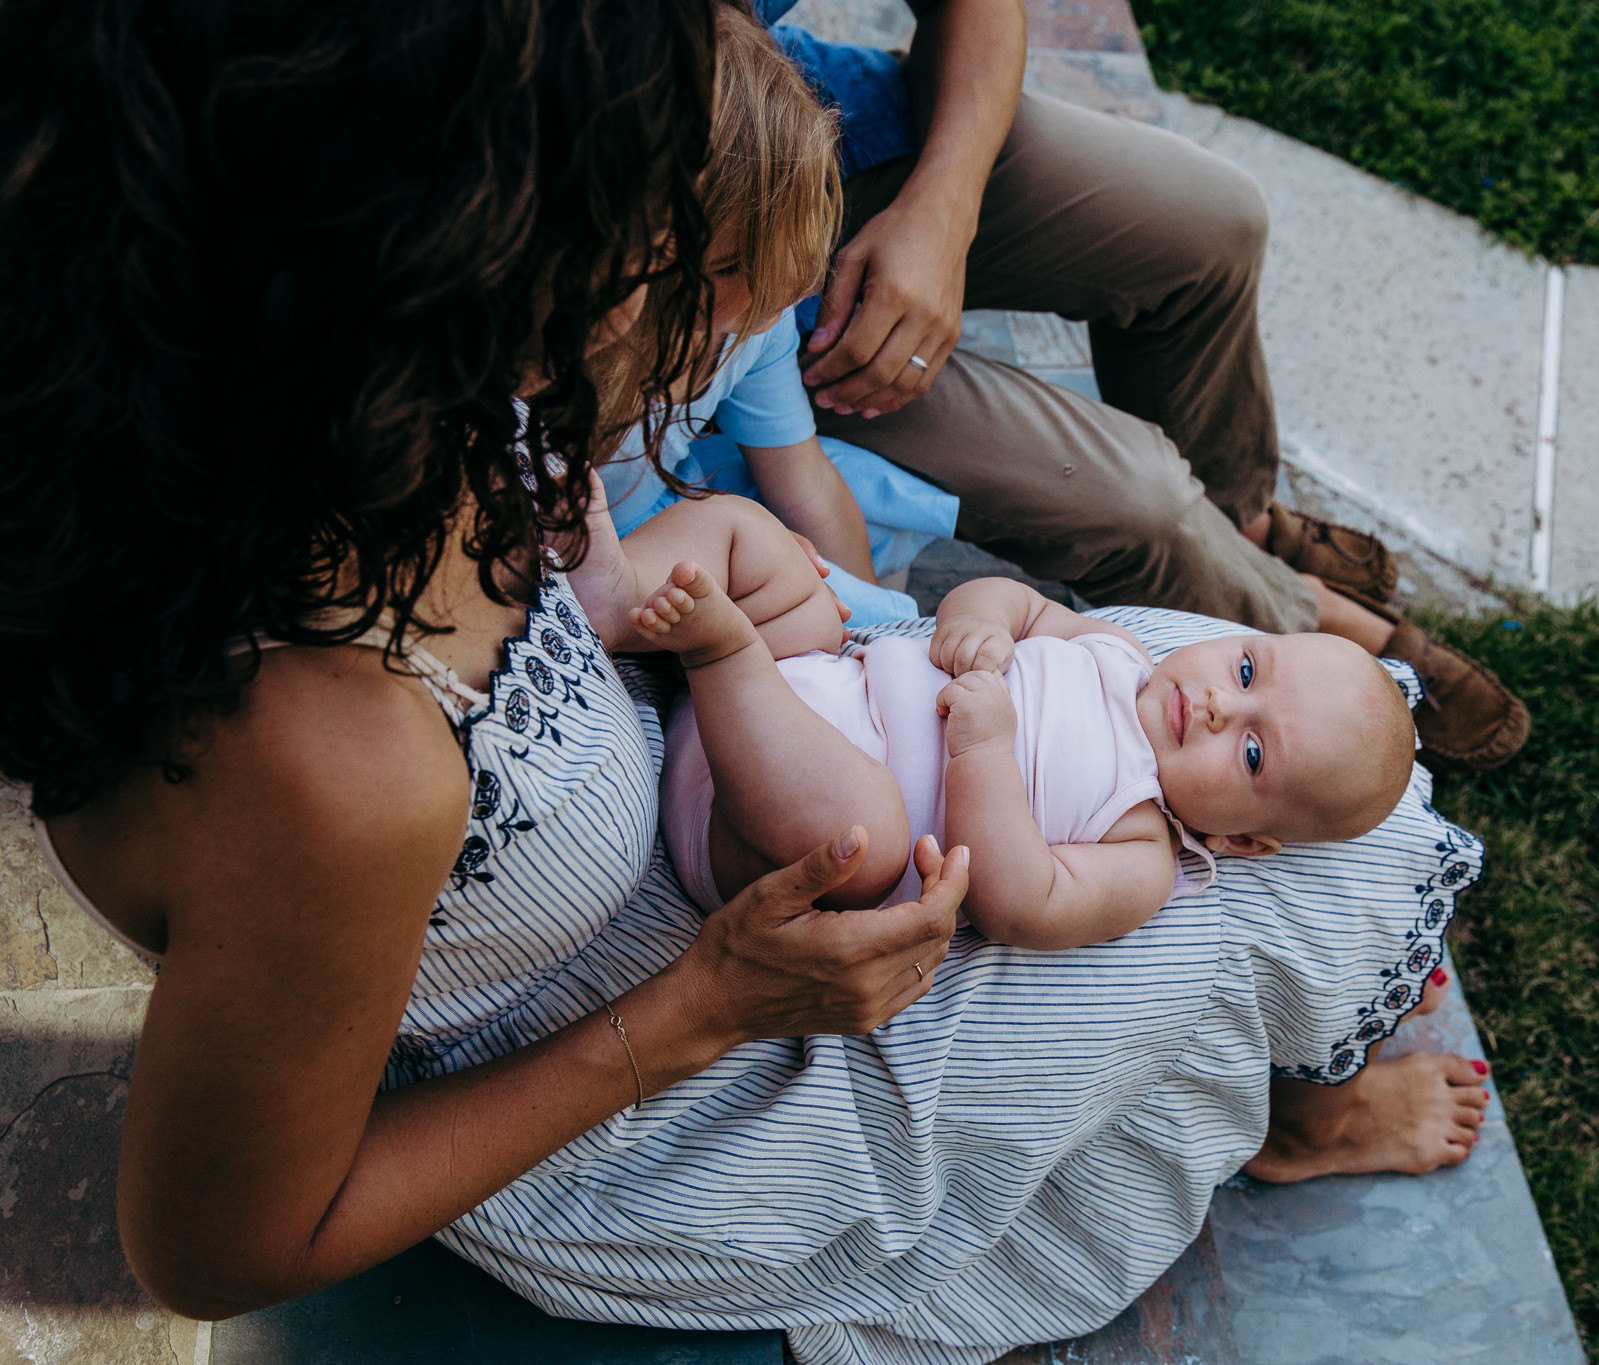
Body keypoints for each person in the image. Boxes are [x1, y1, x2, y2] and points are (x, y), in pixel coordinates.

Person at [0, 3, 1489, 1360]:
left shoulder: (401, 419)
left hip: (681, 833)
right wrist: (712, 1004)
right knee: (1225, 908)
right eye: (680, 259)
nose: (731, 328)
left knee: (1208, 733)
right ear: (470, 262)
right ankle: (1299, 1107)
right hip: (632, 1085)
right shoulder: (336, 764)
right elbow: (221, 1246)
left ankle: (1305, 1037)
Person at [758, 0, 1532, 770]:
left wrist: (944, 210)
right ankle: (1294, 622)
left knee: (1218, 222)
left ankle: (1237, 530)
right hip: (729, 288)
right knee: (1140, 497)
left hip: (808, 126)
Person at [597, 484, 1414, 947]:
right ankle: (617, 594)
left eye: (1252, 753)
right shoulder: (1116, 649)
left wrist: (984, 747)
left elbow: (1019, 901)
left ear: (1239, 840)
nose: (1215, 706)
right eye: (1244, 670)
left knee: (865, 835)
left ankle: (715, 652)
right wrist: (978, 618)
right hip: (804, 673)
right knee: (758, 541)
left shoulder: (1141, 852)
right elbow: (1015, 603)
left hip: (763, 830)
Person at [591, 3, 957, 629]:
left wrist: (878, 636)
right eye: (735, 266)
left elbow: (803, 482)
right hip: (611, 565)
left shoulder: (752, 325)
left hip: (681, 497)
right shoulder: (571, 373)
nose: (773, 299)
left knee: (859, 585)